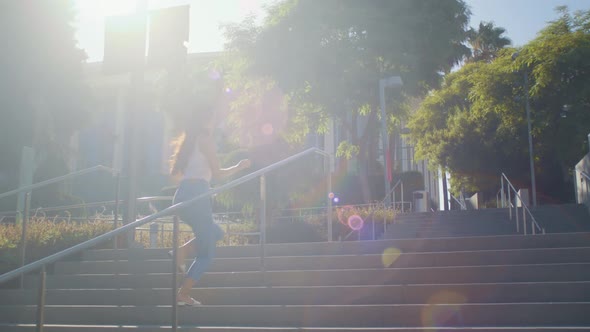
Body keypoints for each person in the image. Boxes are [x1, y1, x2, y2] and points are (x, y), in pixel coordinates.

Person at [169, 105, 251, 306]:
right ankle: (183, 294)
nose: (215, 123)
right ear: (206, 121)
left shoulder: (189, 141)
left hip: (182, 196)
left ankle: (182, 251)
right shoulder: (205, 141)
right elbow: (218, 173)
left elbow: (180, 174)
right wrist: (239, 167)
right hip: (198, 196)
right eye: (214, 119)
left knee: (216, 233)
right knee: (207, 254)